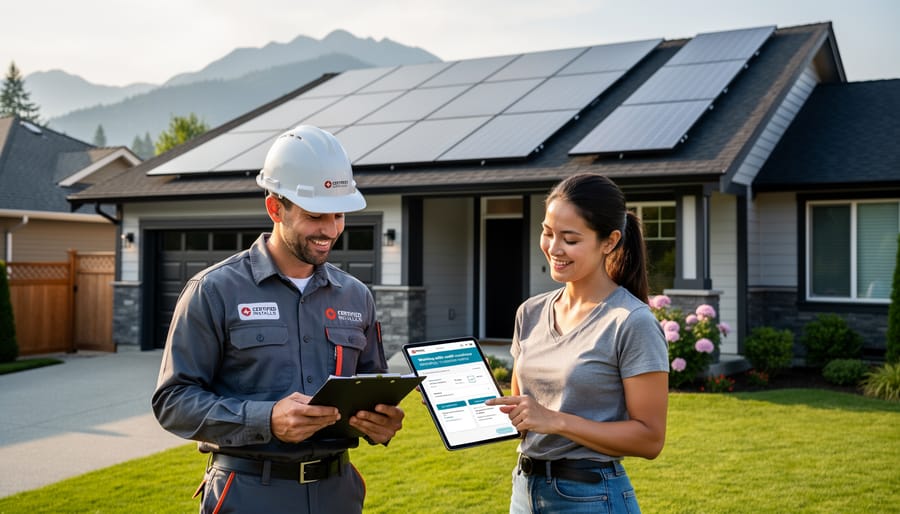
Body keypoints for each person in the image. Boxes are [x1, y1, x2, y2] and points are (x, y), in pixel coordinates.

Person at [152, 125, 404, 514]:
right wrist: (265, 418)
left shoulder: (357, 296)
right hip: (249, 493)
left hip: (338, 494)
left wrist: (381, 424)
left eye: (339, 215)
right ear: (275, 208)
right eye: (315, 215)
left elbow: (370, 386)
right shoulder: (213, 290)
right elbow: (173, 401)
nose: (330, 230)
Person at [486, 173, 669, 513]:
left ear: (609, 241)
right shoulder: (531, 313)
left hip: (590, 496)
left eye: (570, 239)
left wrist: (556, 420)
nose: (554, 248)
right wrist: (458, 406)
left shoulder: (631, 321)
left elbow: (650, 438)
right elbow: (524, 415)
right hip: (524, 489)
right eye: (547, 232)